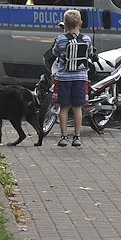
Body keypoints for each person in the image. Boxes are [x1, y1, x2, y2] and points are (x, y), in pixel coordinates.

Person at [52, 9, 93, 148]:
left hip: (64, 78)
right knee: (77, 107)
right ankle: (77, 137)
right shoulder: (86, 39)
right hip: (80, 77)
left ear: (65, 24)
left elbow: (55, 52)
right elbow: (90, 52)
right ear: (80, 22)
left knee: (64, 107)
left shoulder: (61, 39)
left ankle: (63, 137)